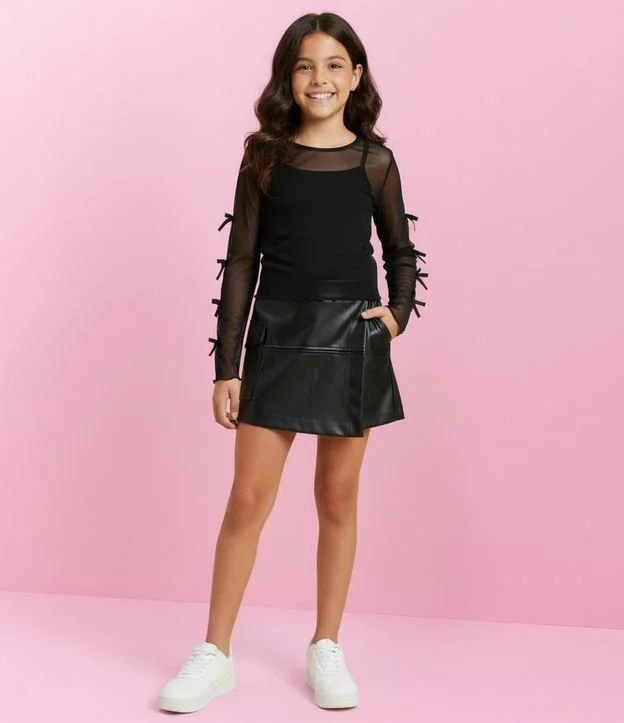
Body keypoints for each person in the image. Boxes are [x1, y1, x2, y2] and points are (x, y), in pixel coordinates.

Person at [157, 11, 427, 714]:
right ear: (288, 76)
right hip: (275, 338)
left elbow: (399, 250)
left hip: (351, 341)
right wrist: (227, 367)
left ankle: (326, 645)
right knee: (247, 499)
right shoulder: (264, 157)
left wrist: (396, 313)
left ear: (356, 76)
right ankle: (215, 652)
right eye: (306, 65)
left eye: (335, 65)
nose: (320, 78)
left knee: (337, 499)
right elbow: (241, 262)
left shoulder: (375, 161)